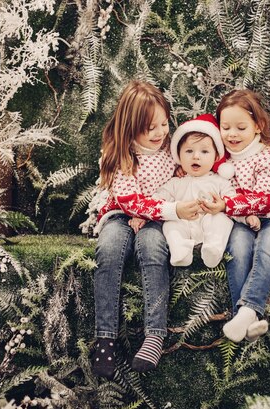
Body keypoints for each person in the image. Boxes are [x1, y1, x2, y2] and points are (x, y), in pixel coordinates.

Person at [91, 80, 201, 378]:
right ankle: (106, 338)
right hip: (120, 215)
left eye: (164, 124)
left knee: (153, 248)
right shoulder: (119, 154)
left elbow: (182, 179)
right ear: (130, 126)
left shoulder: (172, 149)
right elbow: (127, 199)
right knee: (109, 249)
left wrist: (160, 208)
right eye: (150, 127)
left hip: (158, 219)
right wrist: (153, 209)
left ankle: (155, 334)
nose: (159, 133)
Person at [202, 89, 270, 343]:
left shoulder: (267, 156)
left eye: (240, 127)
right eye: (226, 127)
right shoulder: (220, 158)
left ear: (258, 126)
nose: (232, 134)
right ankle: (246, 323)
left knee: (266, 248)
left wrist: (226, 205)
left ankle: (247, 309)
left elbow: (265, 199)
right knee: (239, 249)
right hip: (240, 220)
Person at [151, 114, 237, 268]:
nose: (196, 156)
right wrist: (172, 207)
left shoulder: (219, 181)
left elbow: (233, 199)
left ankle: (213, 249)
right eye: (189, 151)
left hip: (209, 223)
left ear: (216, 157)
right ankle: (180, 250)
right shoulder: (175, 182)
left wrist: (223, 204)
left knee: (222, 220)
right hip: (184, 224)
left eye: (204, 152)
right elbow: (157, 198)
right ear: (179, 155)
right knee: (170, 225)